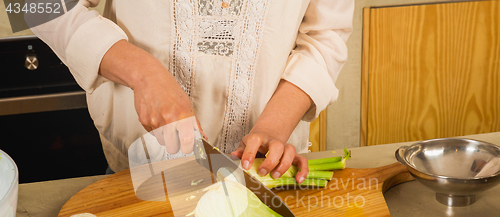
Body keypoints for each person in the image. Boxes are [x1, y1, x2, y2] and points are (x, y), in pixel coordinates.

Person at [31, 0, 354, 182]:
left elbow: (327, 35)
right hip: (137, 177)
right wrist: (143, 73)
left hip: (264, 174)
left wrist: (274, 126)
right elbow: (31, 6)